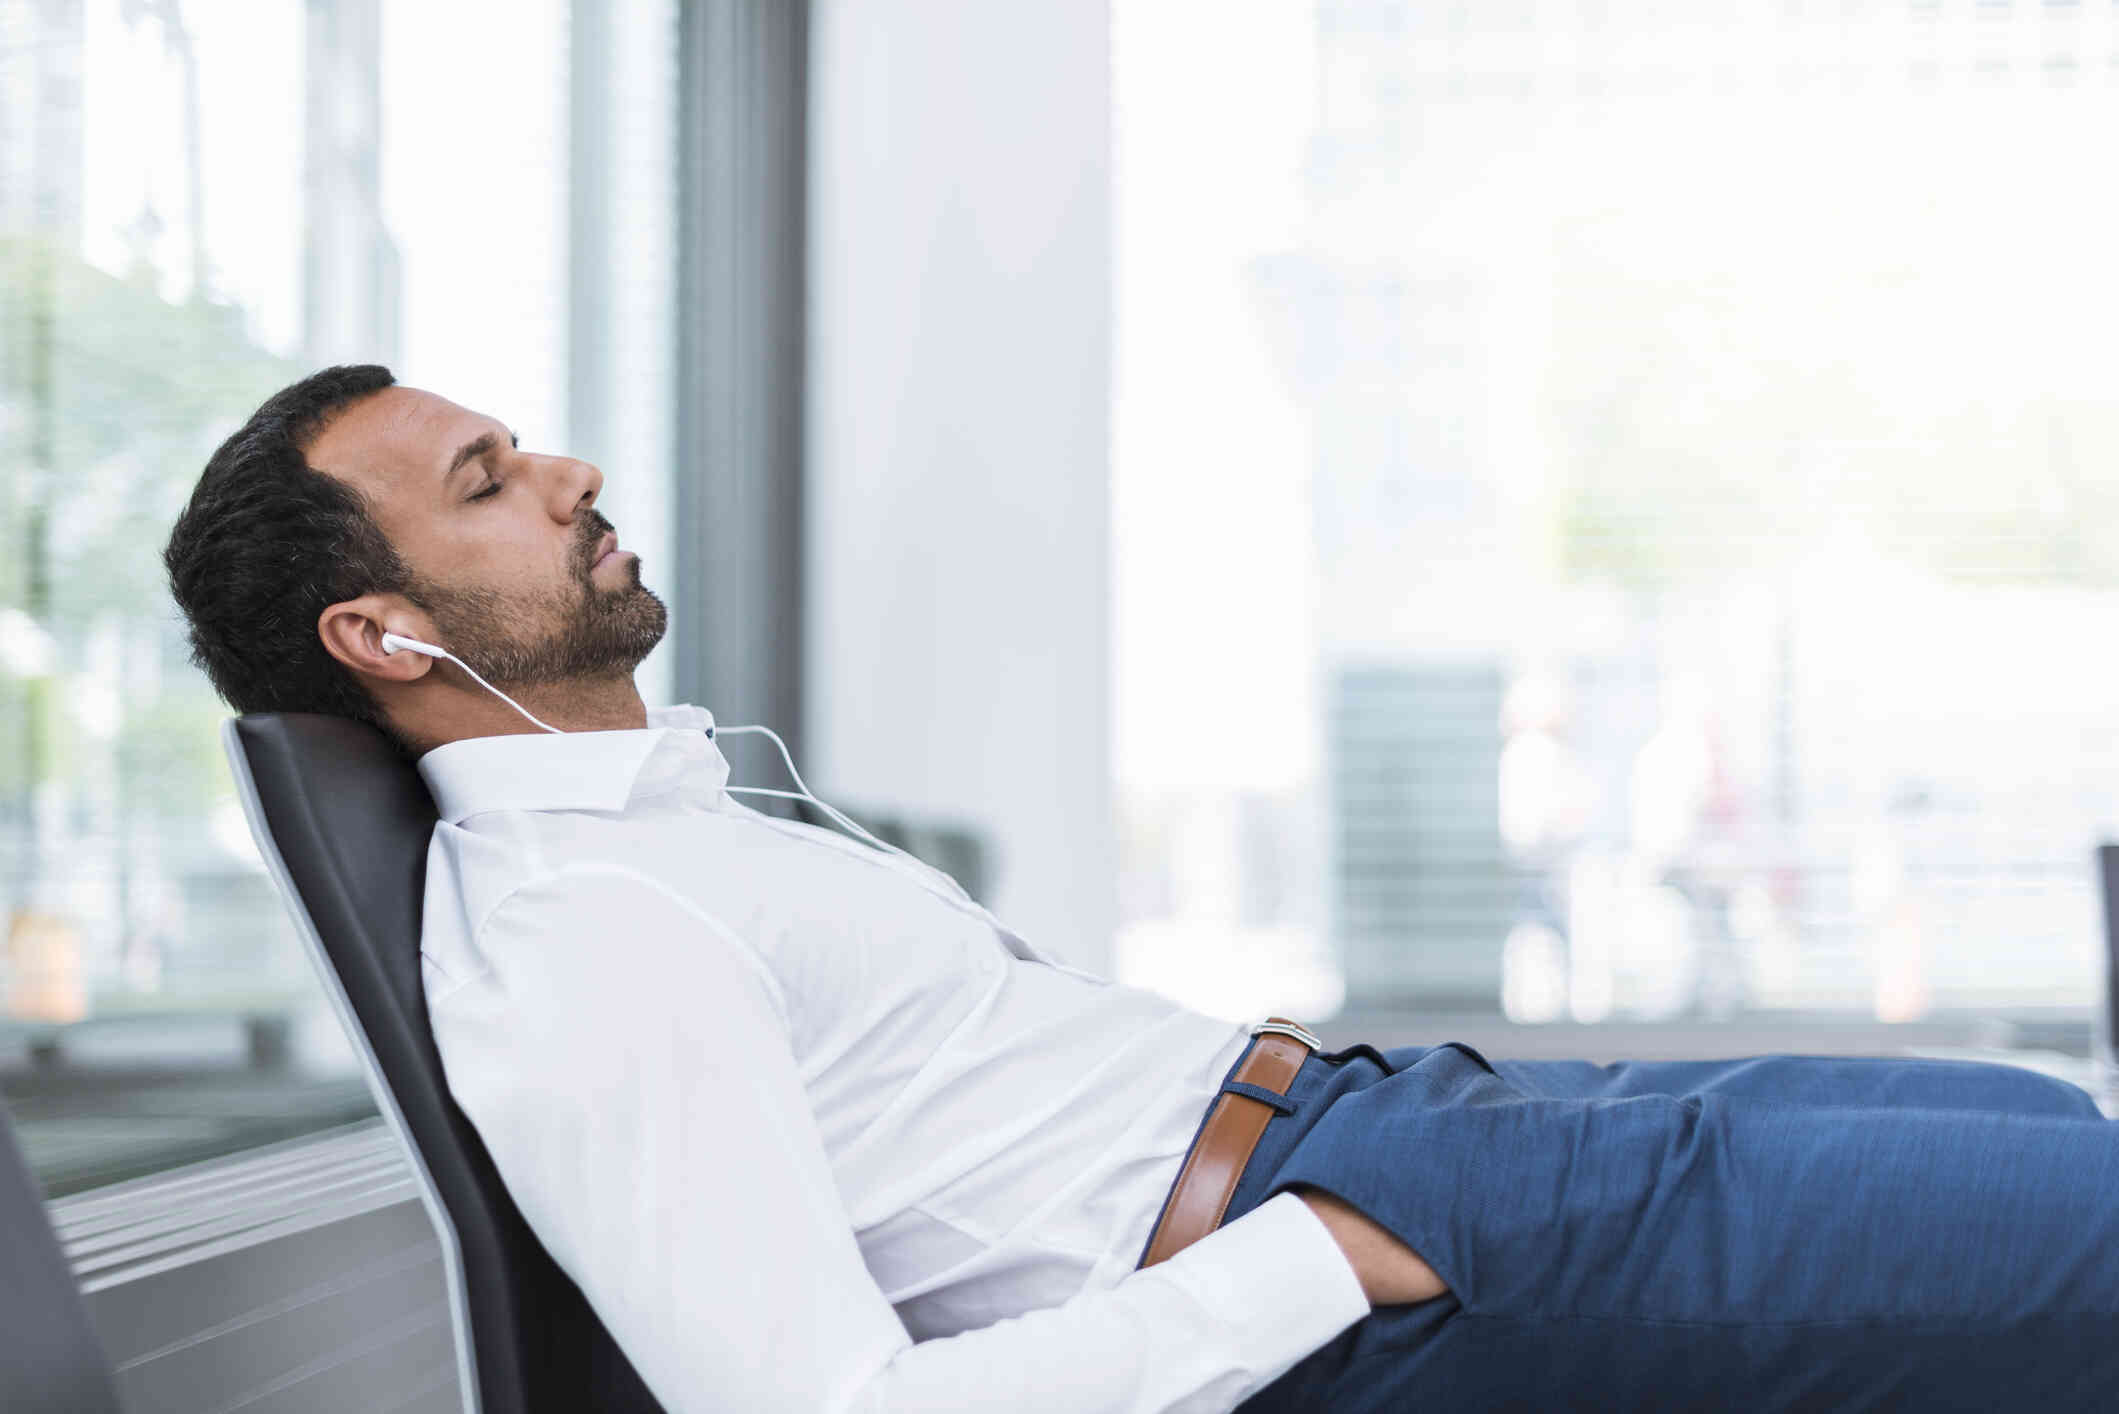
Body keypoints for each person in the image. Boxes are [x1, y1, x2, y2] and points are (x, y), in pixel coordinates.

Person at [163, 366, 2119, 1413]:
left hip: (1402, 1129)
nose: (574, 469)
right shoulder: (582, 939)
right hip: (1369, 1234)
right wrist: (1327, 1252)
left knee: (2041, 1121)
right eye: (493, 478)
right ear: (384, 629)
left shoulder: (671, 832)